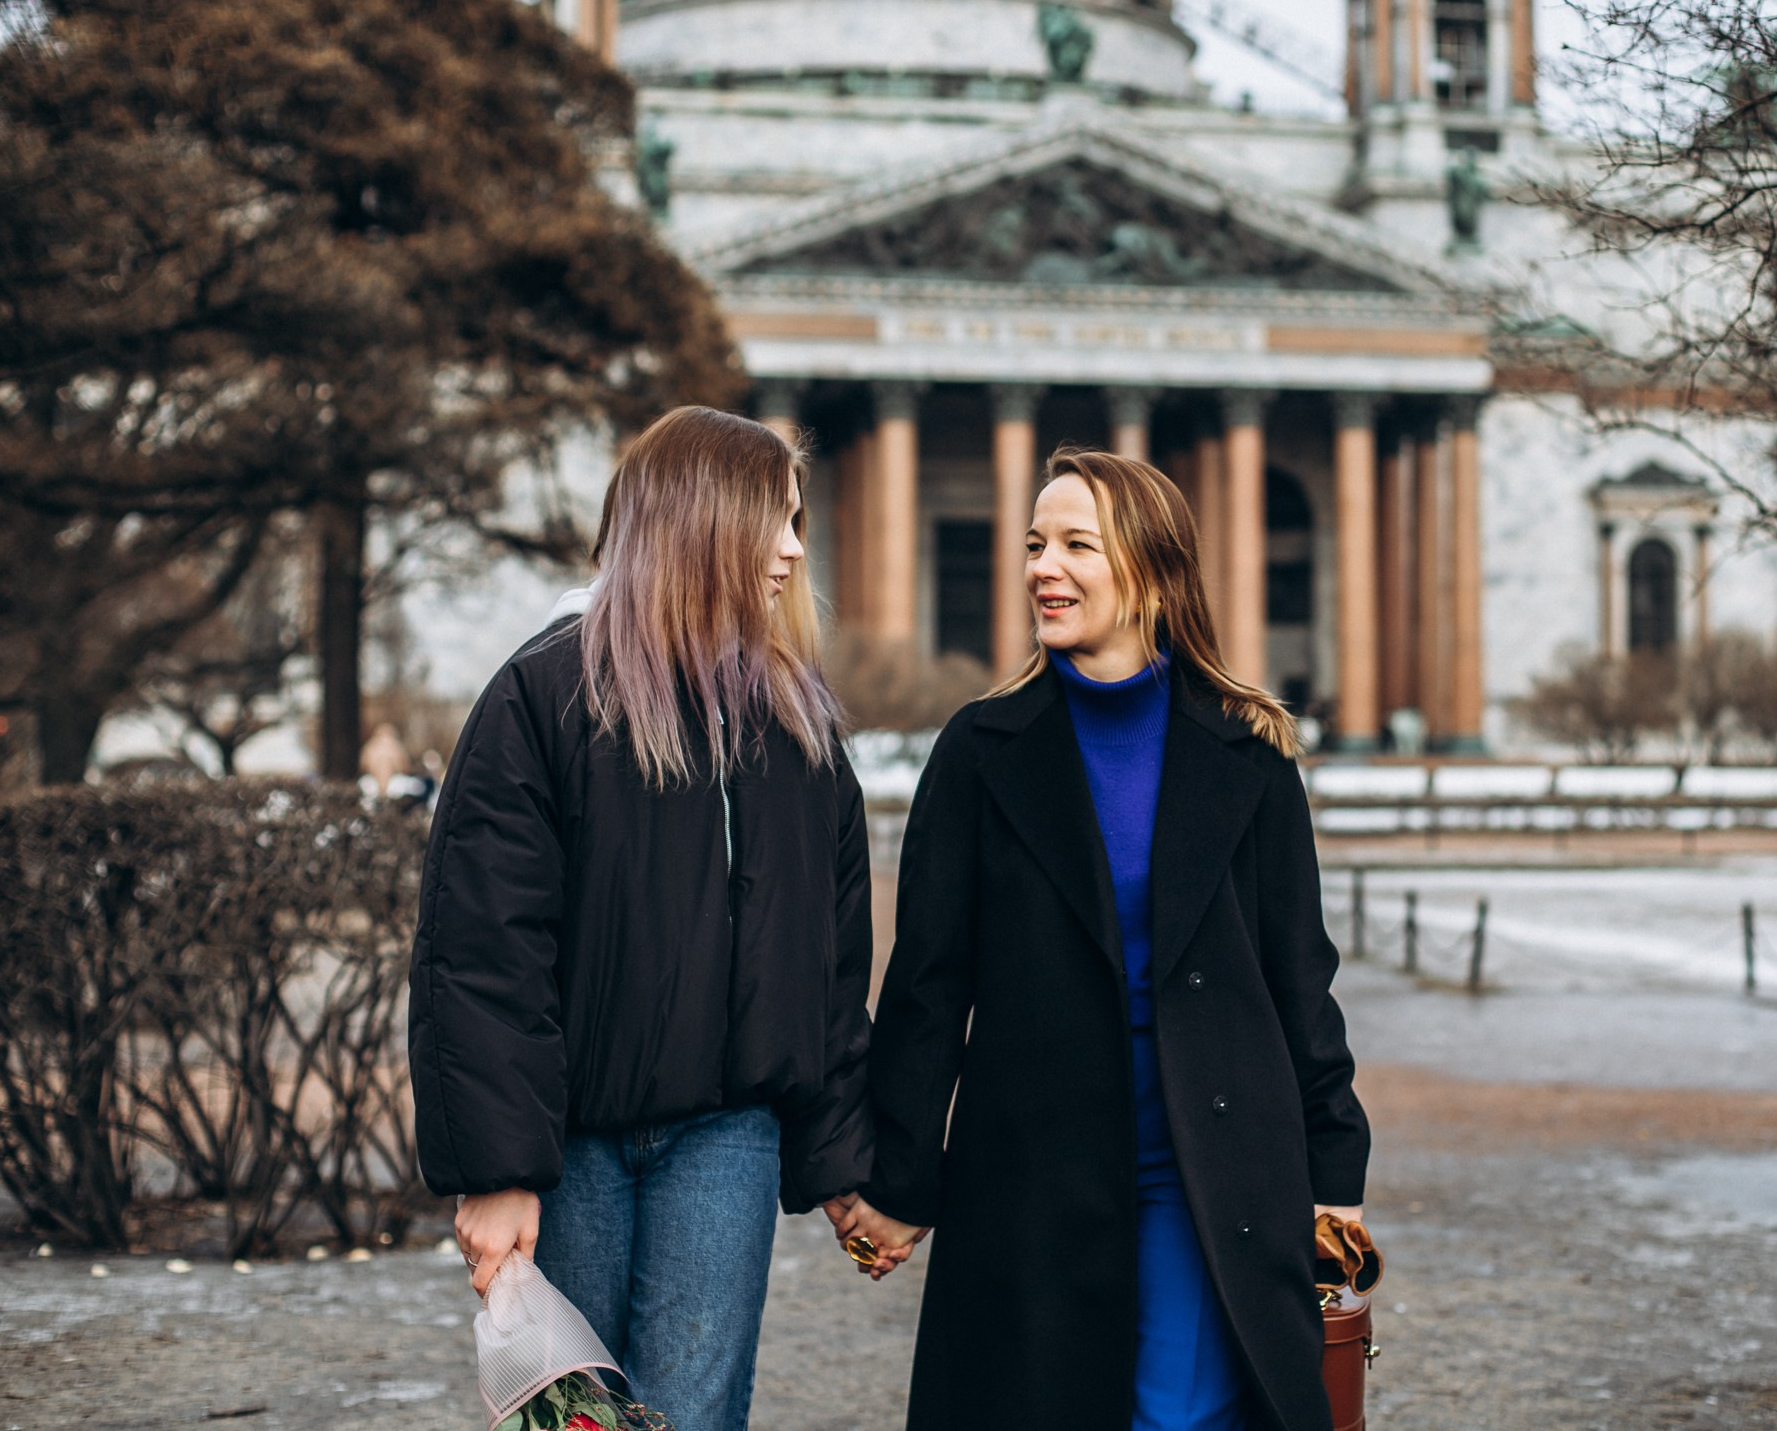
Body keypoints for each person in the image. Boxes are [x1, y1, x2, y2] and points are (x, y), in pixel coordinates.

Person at [842, 448, 1369, 1431]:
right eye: (1037, 543)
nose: (1045, 565)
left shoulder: (1247, 751)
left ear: (1153, 572)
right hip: (1033, 1170)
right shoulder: (977, 749)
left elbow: (1300, 978)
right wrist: (900, 1177)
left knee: (1177, 1415)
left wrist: (1335, 1167)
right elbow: (926, 985)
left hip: (1211, 1163)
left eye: (1077, 543)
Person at [408, 407, 874, 1431]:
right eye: (774, 520)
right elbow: (485, 951)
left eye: (798, 520)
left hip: (728, 1139)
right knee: (579, 1417)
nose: (797, 548)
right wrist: (499, 1171)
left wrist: (841, 1160)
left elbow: (825, 963)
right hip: (571, 1142)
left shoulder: (795, 723)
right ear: (699, 522)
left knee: (695, 1416)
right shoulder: (543, 695)